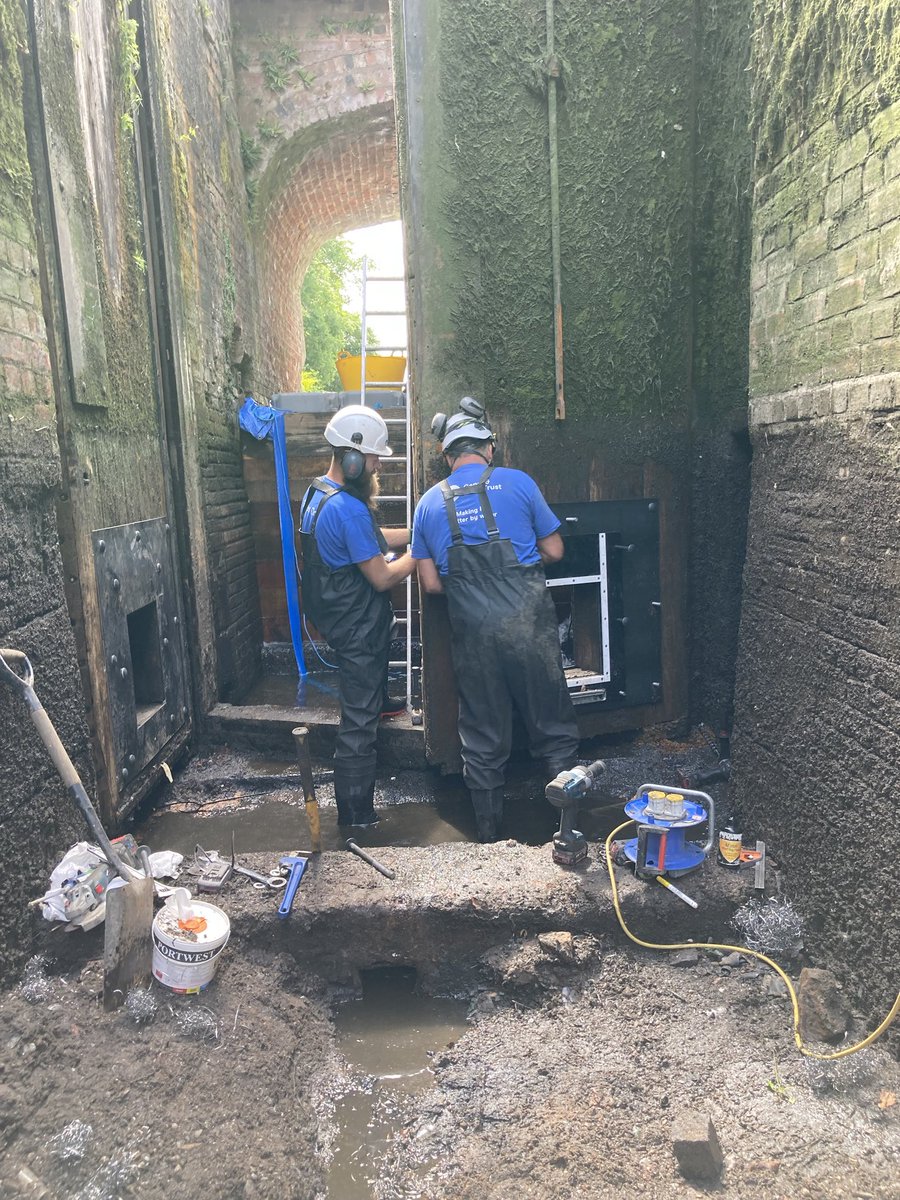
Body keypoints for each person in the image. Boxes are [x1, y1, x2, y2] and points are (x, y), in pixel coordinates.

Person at [411, 397, 580, 841]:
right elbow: (556, 550)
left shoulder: (427, 504)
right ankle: (567, 831)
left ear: (447, 456)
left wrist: (473, 585)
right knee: (554, 727)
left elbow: (429, 584)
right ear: (489, 447)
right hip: (530, 632)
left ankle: (489, 838)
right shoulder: (519, 484)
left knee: (483, 739)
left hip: (475, 640)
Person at [299, 404, 415, 827]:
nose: (378, 464)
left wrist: (417, 530)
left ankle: (379, 699)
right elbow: (383, 577)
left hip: (336, 614)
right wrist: (419, 554)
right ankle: (356, 816)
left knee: (368, 688)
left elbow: (367, 537)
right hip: (356, 624)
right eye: (372, 458)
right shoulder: (346, 506)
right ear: (350, 457)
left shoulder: (318, 493)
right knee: (357, 724)